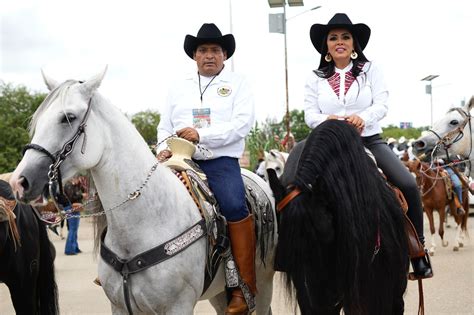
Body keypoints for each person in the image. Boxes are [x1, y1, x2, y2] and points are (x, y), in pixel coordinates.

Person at [303, 13, 432, 278]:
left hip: (368, 139)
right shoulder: (315, 77)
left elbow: (382, 103)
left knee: (407, 183)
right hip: (329, 141)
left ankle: (417, 250)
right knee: (295, 185)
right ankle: (294, 248)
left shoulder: (370, 70)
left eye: (346, 37)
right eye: (334, 37)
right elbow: (308, 114)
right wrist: (331, 120)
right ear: (326, 45)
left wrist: (364, 118)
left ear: (354, 43)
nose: (340, 41)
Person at [156, 23, 256, 314]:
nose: (209, 55)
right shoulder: (178, 87)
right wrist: (161, 146)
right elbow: (165, 124)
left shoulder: (238, 84)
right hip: (177, 160)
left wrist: (202, 136)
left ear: (224, 55)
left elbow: (241, 125)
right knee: (143, 194)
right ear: (194, 56)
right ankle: (121, 266)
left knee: (234, 205)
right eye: (203, 50)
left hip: (219, 161)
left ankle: (242, 286)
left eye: (215, 50)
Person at [63, 176, 84, 255]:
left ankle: (75, 247)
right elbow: (72, 197)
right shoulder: (68, 185)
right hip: (71, 208)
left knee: (74, 229)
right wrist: (82, 196)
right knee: (72, 229)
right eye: (79, 178)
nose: (79, 180)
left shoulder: (74, 185)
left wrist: (78, 185)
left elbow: (79, 192)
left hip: (75, 208)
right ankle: (69, 249)